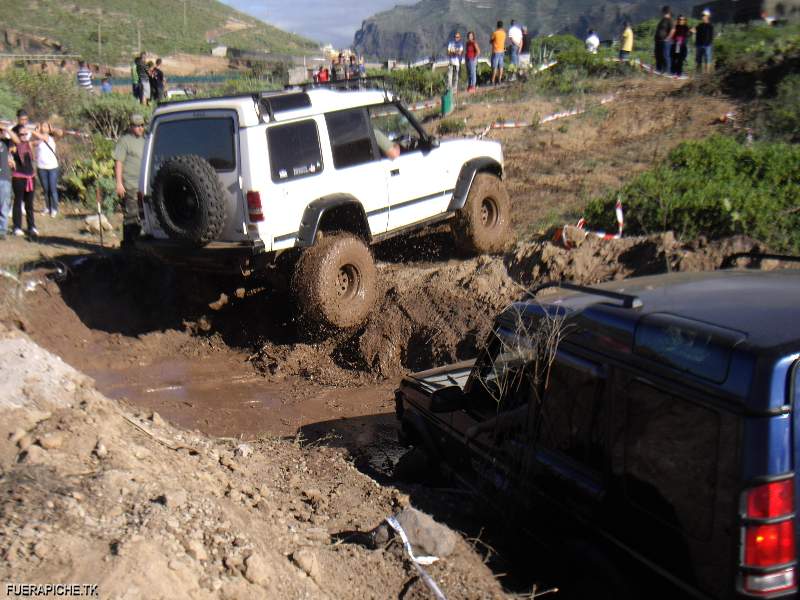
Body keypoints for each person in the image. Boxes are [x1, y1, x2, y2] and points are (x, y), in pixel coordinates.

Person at [113, 114, 146, 246]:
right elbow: (119, 162)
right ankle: (128, 245)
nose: (140, 128)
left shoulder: (145, 141)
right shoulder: (124, 141)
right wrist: (119, 183)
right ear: (131, 126)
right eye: (137, 126)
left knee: (143, 216)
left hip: (143, 185)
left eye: (141, 125)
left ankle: (139, 244)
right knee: (131, 216)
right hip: (130, 184)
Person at [10, 117, 37, 238]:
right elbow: (13, 136)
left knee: (29, 204)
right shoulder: (15, 146)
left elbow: (40, 139)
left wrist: (33, 131)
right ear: (17, 135)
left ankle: (31, 226)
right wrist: (9, 127)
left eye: (26, 134)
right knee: (18, 202)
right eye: (22, 134)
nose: (24, 136)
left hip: (30, 177)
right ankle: (17, 227)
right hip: (19, 178)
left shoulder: (29, 144)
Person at [32, 122, 63, 218]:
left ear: (49, 129)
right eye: (42, 126)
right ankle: (47, 207)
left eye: (46, 126)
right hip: (41, 167)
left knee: (52, 188)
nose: (43, 127)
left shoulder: (50, 138)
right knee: (45, 189)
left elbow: (60, 133)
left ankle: (54, 208)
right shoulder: (38, 139)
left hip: (52, 167)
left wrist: (53, 130)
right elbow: (32, 144)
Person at [0, 127, 12, 240]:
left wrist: (6, 128)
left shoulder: (6, 143)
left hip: (5, 178)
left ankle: (2, 231)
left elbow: (16, 140)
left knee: (4, 205)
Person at [655, 6, 675, 74]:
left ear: (666, 12)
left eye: (663, 12)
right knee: (658, 56)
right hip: (658, 41)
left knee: (665, 56)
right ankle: (659, 70)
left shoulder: (670, 20)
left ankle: (667, 71)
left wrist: (667, 38)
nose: (662, 13)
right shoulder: (662, 20)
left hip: (665, 42)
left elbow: (673, 30)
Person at [694, 9, 714, 74]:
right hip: (699, 45)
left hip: (707, 46)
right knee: (698, 60)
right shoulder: (699, 25)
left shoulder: (710, 26)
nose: (702, 16)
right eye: (702, 15)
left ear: (708, 16)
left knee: (707, 60)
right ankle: (698, 74)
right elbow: (694, 31)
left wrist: (708, 44)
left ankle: (707, 75)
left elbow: (711, 36)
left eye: (704, 15)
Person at [490, 20, 506, 84]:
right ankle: (499, 79)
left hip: (496, 51)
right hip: (502, 50)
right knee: (501, 66)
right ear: (502, 26)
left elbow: (491, 41)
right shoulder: (504, 33)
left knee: (495, 66)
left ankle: (493, 80)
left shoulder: (495, 33)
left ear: (497, 25)